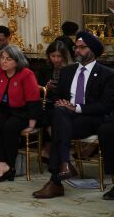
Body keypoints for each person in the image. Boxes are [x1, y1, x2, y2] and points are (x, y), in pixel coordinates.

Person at [33, 31, 114, 199]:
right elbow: (56, 97)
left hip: (91, 118)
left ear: (92, 50)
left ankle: (56, 180)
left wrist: (75, 108)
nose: (76, 51)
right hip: (67, 118)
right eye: (75, 47)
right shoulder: (68, 71)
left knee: (59, 125)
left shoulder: (107, 74)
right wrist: (61, 103)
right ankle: (64, 166)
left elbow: (105, 106)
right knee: (60, 116)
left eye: (81, 48)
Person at [0, 45, 41, 182]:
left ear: (17, 60)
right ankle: (1, 164)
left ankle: (10, 165)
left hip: (21, 112)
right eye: (2, 58)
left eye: (8, 59)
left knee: (9, 127)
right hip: (1, 109)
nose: (3, 61)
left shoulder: (27, 74)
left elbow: (33, 100)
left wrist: (32, 125)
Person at [35, 40, 72, 159]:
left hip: (65, 101)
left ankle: (51, 147)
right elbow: (38, 86)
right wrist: (47, 87)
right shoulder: (45, 68)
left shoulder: (71, 69)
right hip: (48, 100)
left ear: (65, 56)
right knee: (45, 113)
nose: (56, 59)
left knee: (52, 114)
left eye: (59, 56)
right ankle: (54, 148)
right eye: (53, 56)